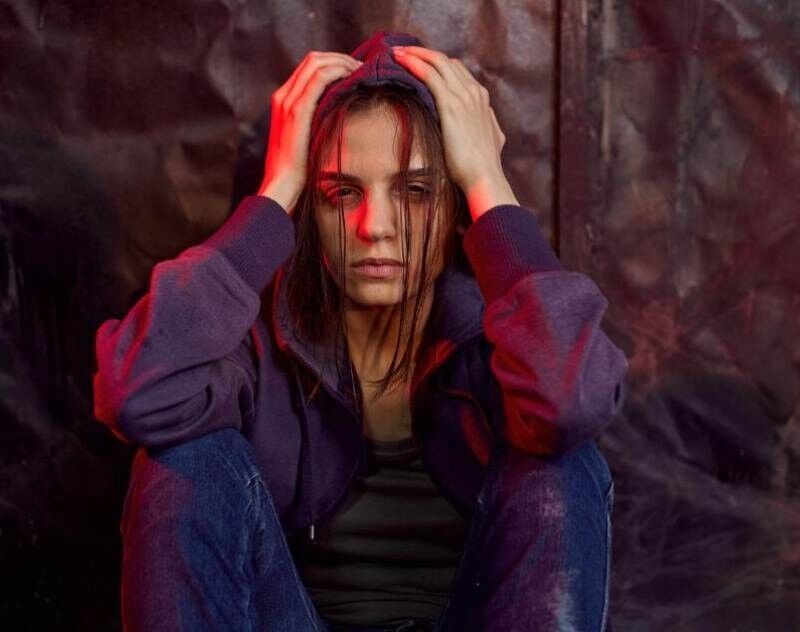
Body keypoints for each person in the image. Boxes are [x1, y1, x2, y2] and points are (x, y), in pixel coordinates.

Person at [93, 30, 628, 632]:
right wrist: (277, 189)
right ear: (312, 208)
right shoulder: (251, 337)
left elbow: (569, 406)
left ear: (454, 204)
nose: (375, 226)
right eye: (341, 192)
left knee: (560, 465)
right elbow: (136, 397)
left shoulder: (503, 334)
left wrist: (488, 182)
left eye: (416, 191)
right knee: (184, 460)